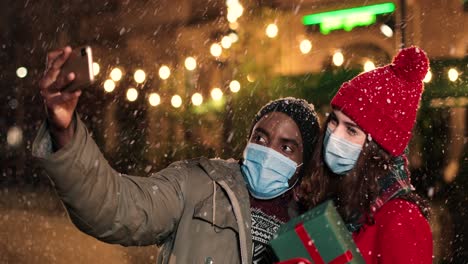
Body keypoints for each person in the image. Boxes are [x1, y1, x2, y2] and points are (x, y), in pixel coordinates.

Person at [32, 46, 320, 264]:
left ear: (303, 162)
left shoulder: (316, 224)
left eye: (286, 147)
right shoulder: (199, 184)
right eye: (260, 137)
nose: (268, 152)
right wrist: (65, 131)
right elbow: (115, 208)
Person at [298, 46, 433, 263]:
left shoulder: (400, 218)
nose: (334, 135)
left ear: (378, 149)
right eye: (334, 121)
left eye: (351, 130)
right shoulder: (337, 199)